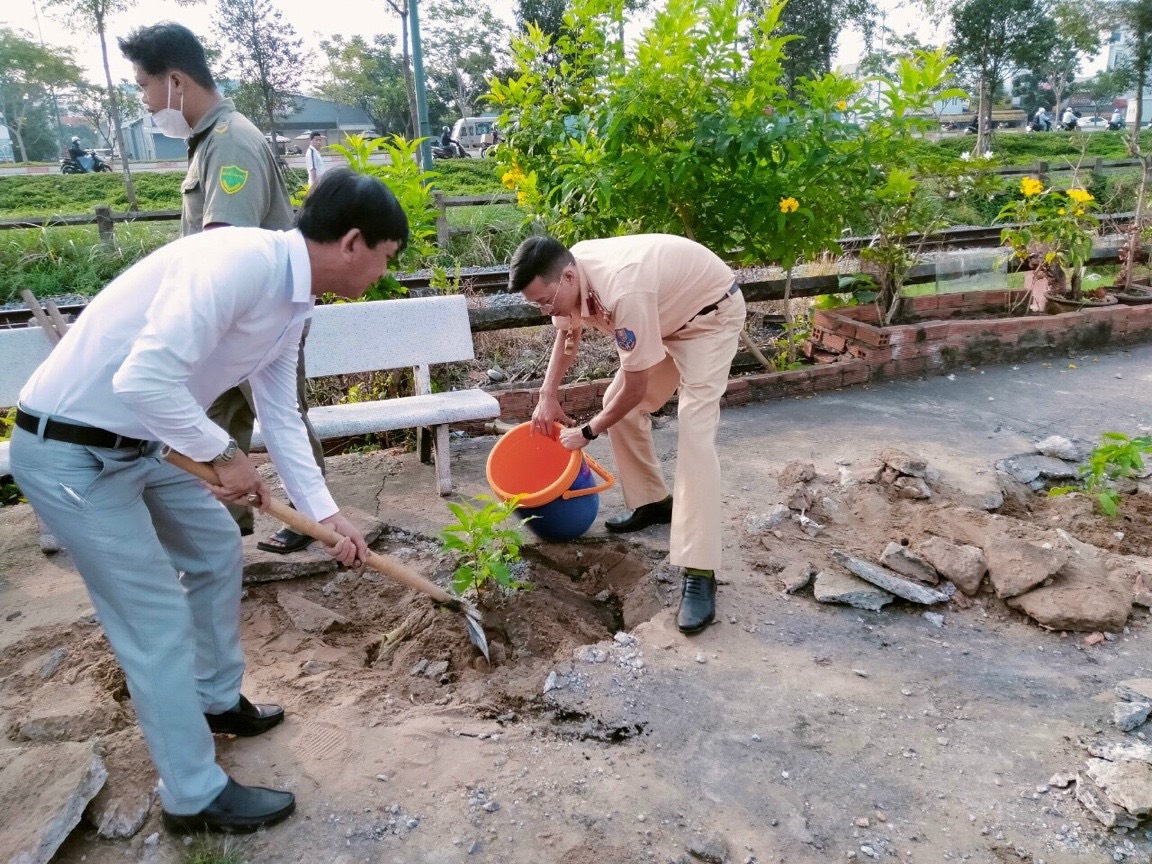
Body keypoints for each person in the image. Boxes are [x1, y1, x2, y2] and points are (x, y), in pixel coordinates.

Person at [9, 169, 408, 834]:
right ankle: (192, 796)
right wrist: (220, 453)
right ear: (354, 242)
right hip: (72, 453)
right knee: (155, 618)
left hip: (145, 442)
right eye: (387, 259)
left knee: (217, 547)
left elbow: (279, 413)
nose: (385, 273)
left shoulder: (294, 301)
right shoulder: (238, 265)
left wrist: (325, 515)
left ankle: (213, 699)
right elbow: (143, 377)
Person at [120, 22, 323, 555]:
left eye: (145, 86)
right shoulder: (208, 141)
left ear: (177, 81)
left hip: (259, 317)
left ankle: (309, 517)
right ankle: (228, 524)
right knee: (221, 418)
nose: (145, 101)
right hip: (228, 318)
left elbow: (223, 252)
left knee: (281, 415)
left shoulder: (232, 145)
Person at [509, 234, 745, 635]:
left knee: (694, 430)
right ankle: (652, 500)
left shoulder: (623, 289)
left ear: (567, 277)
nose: (546, 310)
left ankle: (700, 570)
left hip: (709, 319)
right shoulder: (567, 275)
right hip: (666, 319)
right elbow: (567, 335)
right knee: (617, 402)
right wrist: (546, 396)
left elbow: (638, 389)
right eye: (537, 305)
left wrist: (587, 431)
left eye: (545, 301)